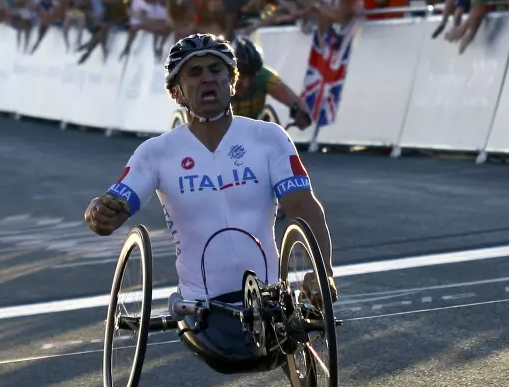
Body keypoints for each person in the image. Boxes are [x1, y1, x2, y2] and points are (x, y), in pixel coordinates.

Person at [84, 35, 337, 364]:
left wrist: (323, 272)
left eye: (217, 70)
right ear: (176, 92)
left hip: (272, 301)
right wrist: (98, 213)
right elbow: (112, 209)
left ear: (232, 82)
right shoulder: (156, 153)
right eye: (194, 72)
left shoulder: (269, 138)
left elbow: (303, 207)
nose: (207, 78)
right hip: (202, 308)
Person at [230, 36, 313, 129]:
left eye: (251, 77)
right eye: (241, 77)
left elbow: (295, 101)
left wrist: (301, 113)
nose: (246, 84)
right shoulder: (219, 80)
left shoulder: (264, 76)